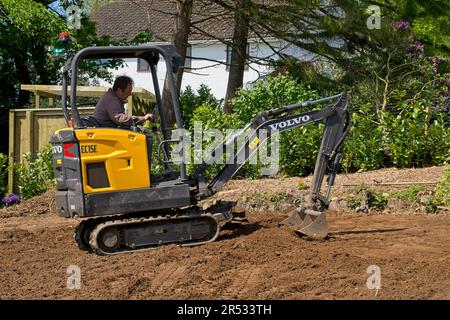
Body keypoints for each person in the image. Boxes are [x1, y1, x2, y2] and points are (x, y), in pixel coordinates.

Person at [93, 76, 157, 128]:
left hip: (107, 130)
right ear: (119, 90)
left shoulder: (112, 98)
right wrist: (143, 118)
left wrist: (141, 119)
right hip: (105, 133)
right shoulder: (112, 100)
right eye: (128, 92)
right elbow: (121, 119)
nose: (129, 94)